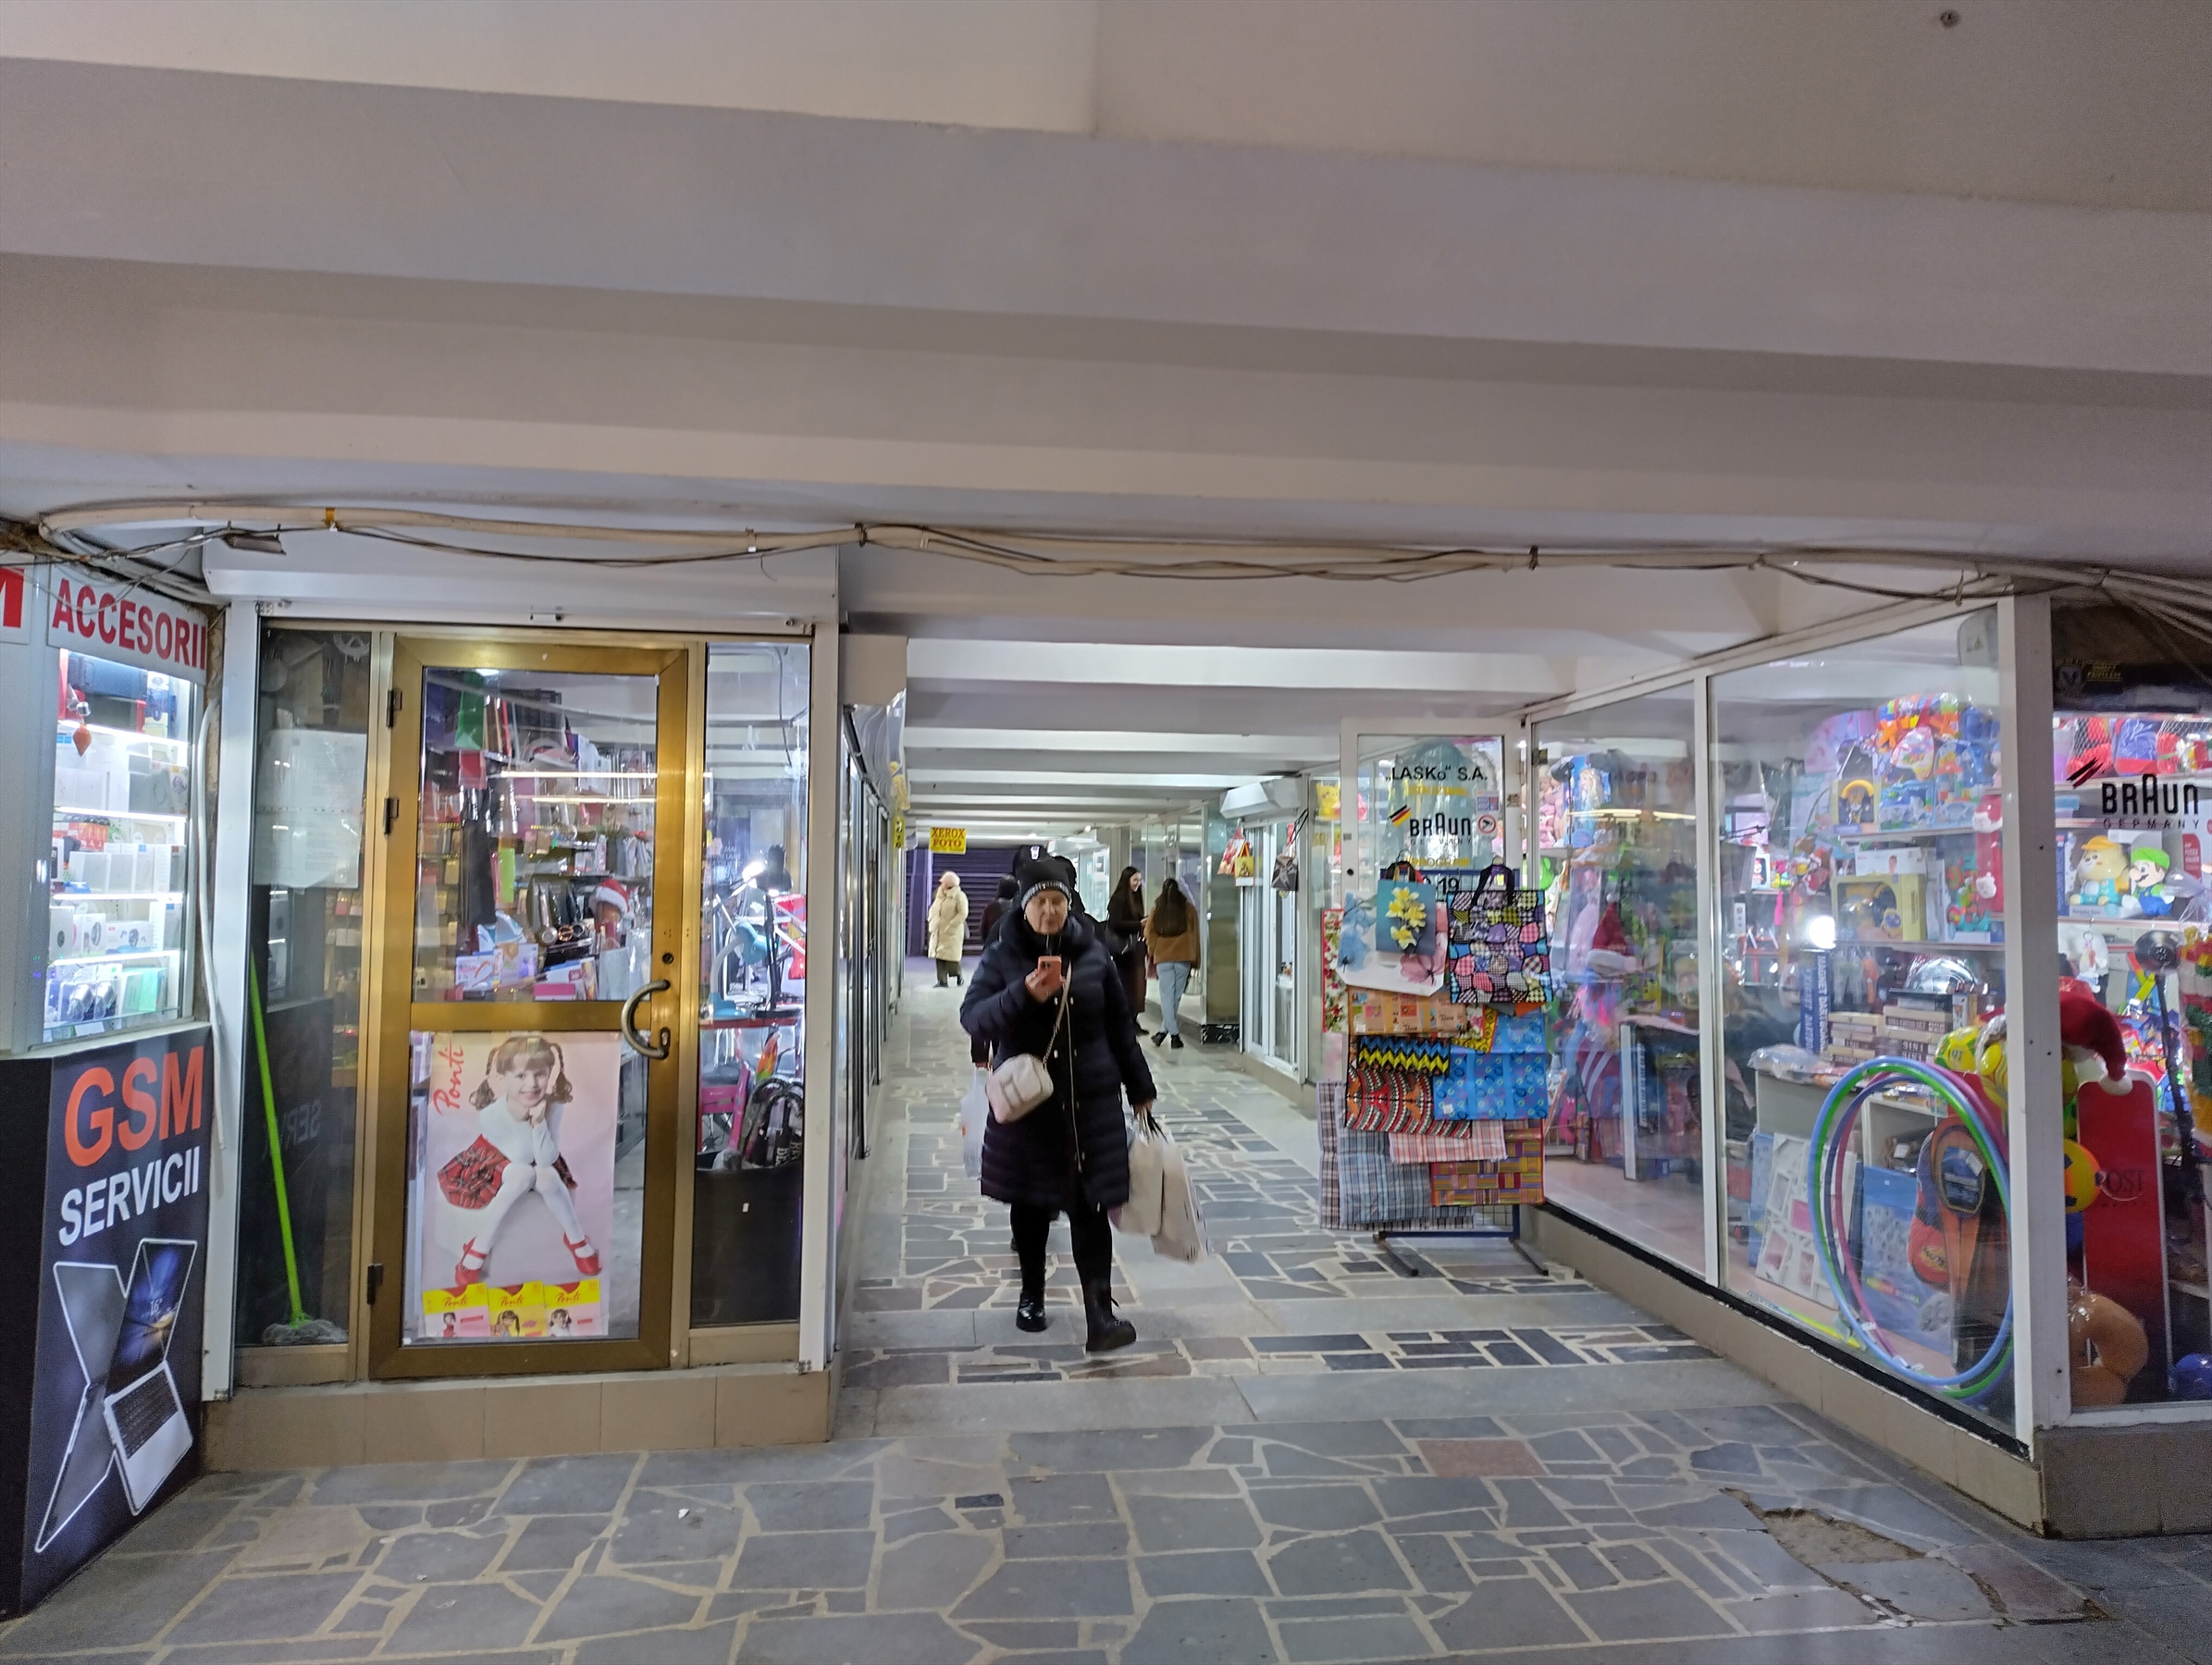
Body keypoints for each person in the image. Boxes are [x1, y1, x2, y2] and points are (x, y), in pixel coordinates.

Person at [962, 857, 1155, 1350]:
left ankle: (1100, 1316)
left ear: (1069, 904)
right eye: (1040, 902)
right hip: (1030, 1110)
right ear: (1024, 906)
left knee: (1091, 1208)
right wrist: (1023, 994)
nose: (1049, 911)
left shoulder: (1092, 954)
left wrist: (1141, 1088)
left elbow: (1120, 1027)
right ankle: (1032, 1295)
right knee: (1030, 1206)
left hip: (1091, 1106)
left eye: (1058, 901)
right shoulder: (1003, 953)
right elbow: (974, 1017)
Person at [445, 1035, 599, 1288]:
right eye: (520, 1076)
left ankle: (576, 1238)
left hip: (539, 1160)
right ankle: (480, 1244)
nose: (532, 1084)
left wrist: (538, 1122)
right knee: (522, 1174)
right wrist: (527, 1120)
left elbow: (546, 1158)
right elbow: (522, 1157)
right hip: (492, 1164)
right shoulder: (491, 1113)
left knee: (546, 1175)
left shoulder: (553, 1106)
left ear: (550, 1073)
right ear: (502, 1079)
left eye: (540, 1074)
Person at [1143, 877, 1201, 1050]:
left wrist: (1155, 948)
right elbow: (1195, 935)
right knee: (1175, 997)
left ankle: (1167, 1033)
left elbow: (1148, 933)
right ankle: (1172, 1034)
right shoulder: (1189, 909)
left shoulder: (1157, 909)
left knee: (1167, 997)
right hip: (1184, 956)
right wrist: (1196, 959)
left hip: (1163, 958)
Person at [972, 876, 1019, 1066]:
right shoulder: (1019, 909)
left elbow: (983, 932)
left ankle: (994, 1054)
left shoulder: (992, 908)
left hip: (993, 958)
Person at [1106, 866, 1149, 1033]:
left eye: (1139, 880)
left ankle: (1132, 1019)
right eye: (1135, 880)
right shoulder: (1119, 899)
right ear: (1127, 880)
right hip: (1124, 951)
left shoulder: (1135, 898)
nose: (1138, 883)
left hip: (1136, 949)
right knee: (1127, 987)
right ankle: (1126, 1022)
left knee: (1137, 988)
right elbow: (1115, 924)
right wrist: (1138, 924)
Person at [926, 869, 969, 986]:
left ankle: (958, 976)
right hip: (939, 931)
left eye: (944, 882)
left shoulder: (959, 896)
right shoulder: (940, 895)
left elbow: (963, 913)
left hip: (952, 932)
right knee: (939, 957)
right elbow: (934, 909)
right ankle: (942, 981)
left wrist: (952, 925)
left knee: (951, 959)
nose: (942, 884)